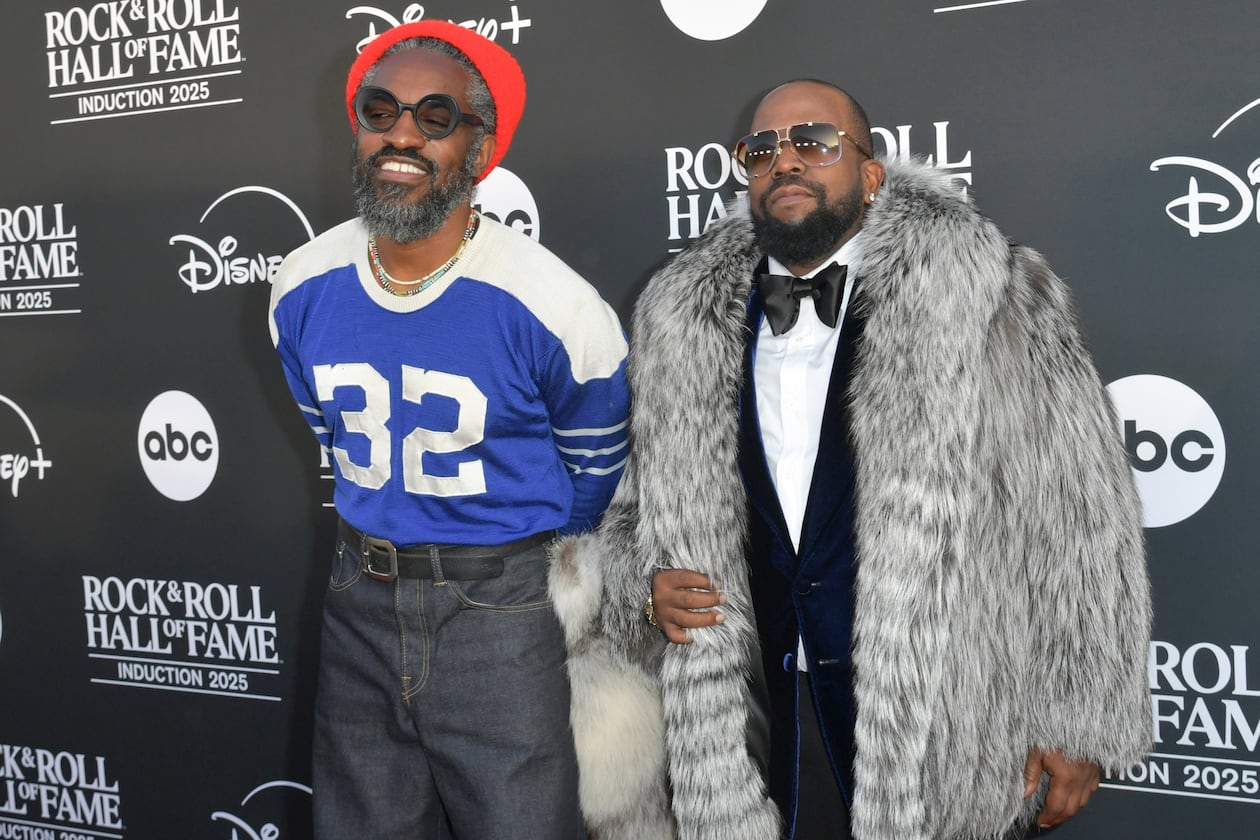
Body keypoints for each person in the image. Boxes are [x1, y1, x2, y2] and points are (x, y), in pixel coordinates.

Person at [548, 79, 1151, 840]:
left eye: (815, 142)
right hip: (753, 711)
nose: (785, 162)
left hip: (934, 712)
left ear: (871, 172)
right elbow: (633, 509)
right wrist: (642, 586)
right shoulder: (679, 320)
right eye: (762, 149)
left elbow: (1082, 512)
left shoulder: (991, 297)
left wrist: (1080, 714)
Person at [268, 21, 629, 839]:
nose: (402, 133)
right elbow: (326, 430)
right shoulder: (301, 283)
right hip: (356, 594)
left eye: (436, 117)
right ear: (355, 126)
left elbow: (595, 462)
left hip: (496, 610)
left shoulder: (554, 302)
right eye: (381, 109)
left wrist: (502, 550)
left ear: (480, 147)